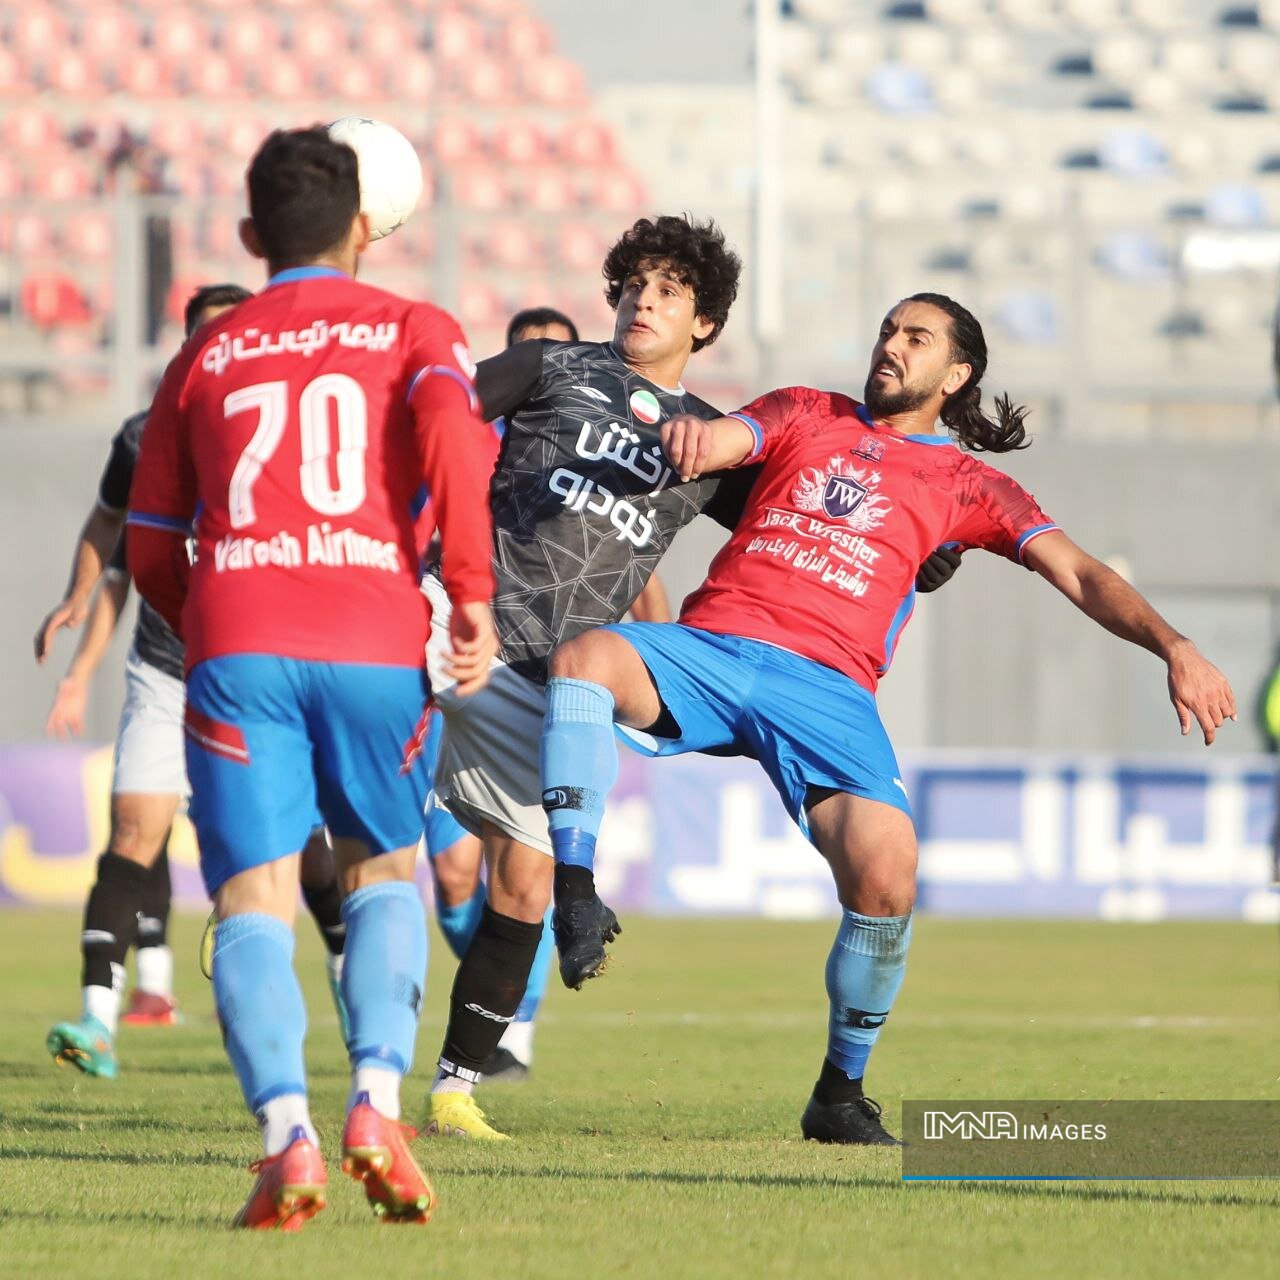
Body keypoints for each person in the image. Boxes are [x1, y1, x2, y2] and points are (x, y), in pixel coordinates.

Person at [537, 291, 1238, 1146]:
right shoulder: (807, 410)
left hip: (829, 689)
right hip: (717, 647)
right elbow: (729, 439)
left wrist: (1174, 645)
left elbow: (1082, 574)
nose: (891, 348)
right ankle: (574, 894)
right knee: (585, 660)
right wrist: (695, 439)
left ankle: (838, 1094)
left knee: (888, 870)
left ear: (957, 373)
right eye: (886, 332)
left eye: (916, 338)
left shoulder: (970, 484)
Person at [128, 126, 498, 1229]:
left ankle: (286, 1134)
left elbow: (149, 540)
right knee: (385, 866)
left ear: (248, 235)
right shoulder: (412, 327)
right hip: (374, 633)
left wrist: (210, 621)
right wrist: (467, 591)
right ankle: (376, 1102)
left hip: (237, 635)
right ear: (362, 228)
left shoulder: (202, 353)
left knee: (253, 894)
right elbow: (454, 443)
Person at [41, 285, 344, 1078]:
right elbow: (108, 528)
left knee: (309, 853)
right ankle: (98, 1021)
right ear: (184, 349)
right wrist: (79, 594)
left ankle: (354, 993)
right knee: (134, 834)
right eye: (204, 338)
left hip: (268, 673)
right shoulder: (144, 437)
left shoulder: (295, 431)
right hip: (168, 668)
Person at [424, 304, 671, 1086]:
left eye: (669, 289)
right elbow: (420, 428)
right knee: (422, 866)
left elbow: (652, 591)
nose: (645, 300)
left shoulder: (687, 441)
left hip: (537, 680)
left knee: (524, 882)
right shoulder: (494, 432)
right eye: (634, 285)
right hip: (448, 620)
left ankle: (472, 1079)